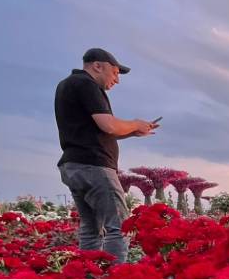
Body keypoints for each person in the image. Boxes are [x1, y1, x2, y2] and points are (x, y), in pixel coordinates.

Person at [54, 47, 159, 263]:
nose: (117, 80)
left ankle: (89, 278)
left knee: (91, 228)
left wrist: (132, 132)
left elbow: (97, 130)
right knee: (120, 227)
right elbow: (108, 125)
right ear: (97, 66)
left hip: (74, 166)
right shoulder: (87, 84)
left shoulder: (66, 85)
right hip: (95, 166)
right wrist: (135, 123)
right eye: (115, 72)